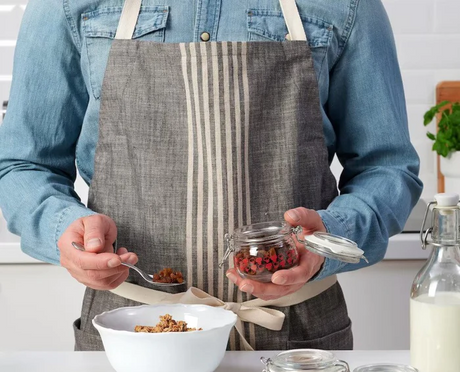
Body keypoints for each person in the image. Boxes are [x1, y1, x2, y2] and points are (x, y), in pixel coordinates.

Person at [0, 0, 422, 351]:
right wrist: (65, 231)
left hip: (298, 343)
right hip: (131, 339)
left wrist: (328, 238)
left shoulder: (345, 5)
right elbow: (23, 164)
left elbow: (387, 167)